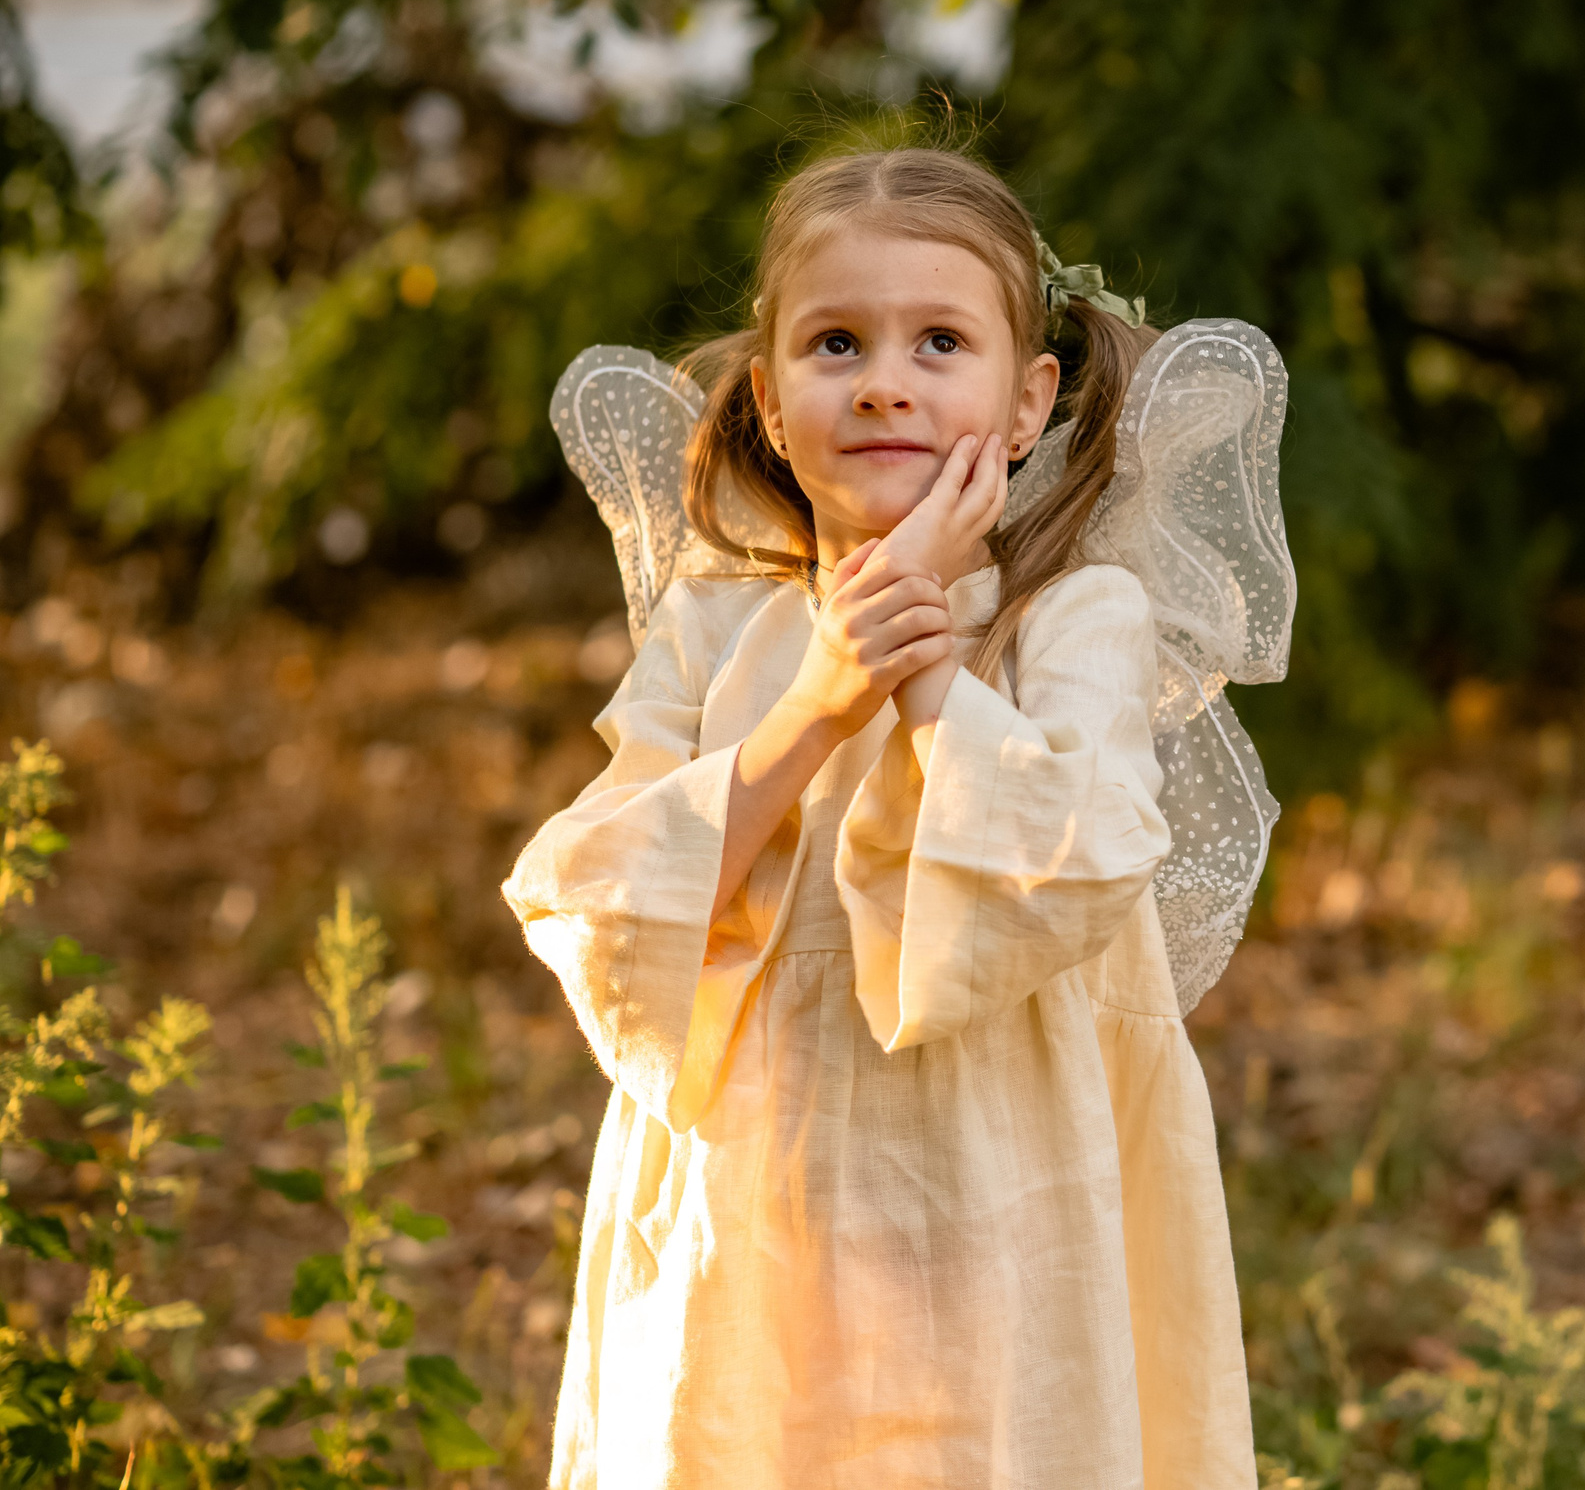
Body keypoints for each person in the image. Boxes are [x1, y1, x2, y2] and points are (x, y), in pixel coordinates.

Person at [501, 145, 1270, 1488]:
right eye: (837, 343)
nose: (886, 382)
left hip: (1009, 1182)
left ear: (1028, 402)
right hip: (765, 1199)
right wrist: (815, 701)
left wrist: (924, 679)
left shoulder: (1076, 624)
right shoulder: (713, 632)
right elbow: (600, 899)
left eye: (940, 342)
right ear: (772, 401)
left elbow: (1072, 871)